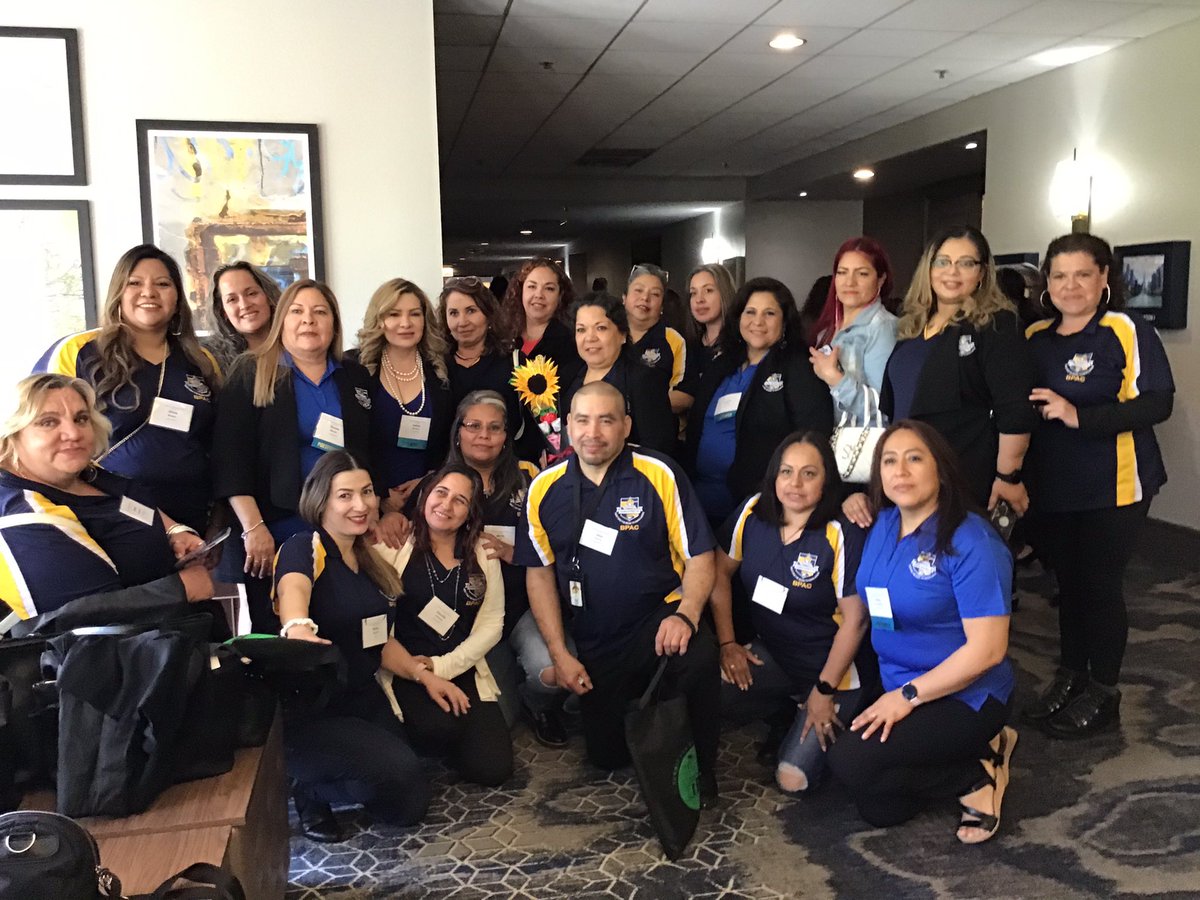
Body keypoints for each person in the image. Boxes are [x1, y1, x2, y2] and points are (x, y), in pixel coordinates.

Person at [514, 381, 721, 799]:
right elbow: (538, 575)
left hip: (656, 619)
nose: (594, 432)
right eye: (584, 420)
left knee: (697, 655)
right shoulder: (543, 487)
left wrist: (688, 613)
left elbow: (701, 556)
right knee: (606, 755)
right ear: (569, 426)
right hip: (593, 636)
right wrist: (560, 654)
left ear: (626, 425)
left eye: (606, 420)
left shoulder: (659, 472)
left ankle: (703, 773)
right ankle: (635, 711)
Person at [826, 420, 1018, 844]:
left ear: (941, 469)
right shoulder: (880, 524)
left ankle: (976, 776)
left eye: (915, 459)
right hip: (898, 681)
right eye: (889, 462)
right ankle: (980, 754)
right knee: (880, 809)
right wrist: (850, 500)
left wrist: (907, 697)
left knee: (851, 763)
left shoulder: (972, 541)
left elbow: (988, 650)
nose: (901, 472)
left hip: (964, 694)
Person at [1022, 233, 1174, 739]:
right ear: (1047, 282)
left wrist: (1078, 416)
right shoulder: (1035, 336)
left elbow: (1157, 402)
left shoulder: (1125, 330)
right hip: (1055, 485)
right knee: (1070, 588)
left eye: (1082, 274)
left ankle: (1104, 692)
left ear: (1104, 278)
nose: (1070, 286)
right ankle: (1072, 676)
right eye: (1059, 275)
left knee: (1101, 587)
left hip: (1116, 485)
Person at [275, 450, 429, 841]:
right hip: (314, 708)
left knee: (407, 804)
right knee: (396, 775)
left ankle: (329, 778)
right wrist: (296, 625)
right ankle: (305, 787)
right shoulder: (305, 545)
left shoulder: (367, 558)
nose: (360, 505)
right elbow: (294, 587)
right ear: (321, 500)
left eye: (367, 492)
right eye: (345, 495)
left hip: (362, 696)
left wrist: (421, 675)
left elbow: (379, 640)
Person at [846, 226, 1037, 526]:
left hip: (960, 476)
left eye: (966, 263)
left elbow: (1014, 410)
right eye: (943, 261)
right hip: (908, 478)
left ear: (982, 273)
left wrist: (1007, 476)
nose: (953, 271)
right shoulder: (912, 327)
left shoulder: (996, 325)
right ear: (929, 268)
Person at [212, 279, 373, 632]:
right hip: (275, 530)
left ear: (334, 323)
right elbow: (231, 458)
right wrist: (253, 528)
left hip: (342, 529)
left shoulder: (354, 377)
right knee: (281, 632)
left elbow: (365, 453)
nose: (308, 321)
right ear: (281, 320)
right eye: (297, 312)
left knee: (343, 625)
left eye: (320, 312)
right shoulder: (252, 371)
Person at [713, 432, 871, 793]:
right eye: (786, 472)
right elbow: (718, 571)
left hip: (836, 673)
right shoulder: (754, 511)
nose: (795, 484)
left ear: (827, 480)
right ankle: (786, 706)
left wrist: (823, 690)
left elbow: (856, 620)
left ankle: (840, 718)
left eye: (809, 474)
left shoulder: (840, 531)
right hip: (777, 655)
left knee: (793, 779)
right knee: (708, 687)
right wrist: (728, 642)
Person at [35, 244, 221, 532]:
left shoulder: (202, 361)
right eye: (135, 283)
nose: (149, 292)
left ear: (177, 299)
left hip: (192, 518)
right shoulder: (78, 352)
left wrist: (216, 520)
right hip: (109, 516)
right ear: (118, 293)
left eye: (162, 284)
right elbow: (37, 435)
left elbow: (218, 444)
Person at [0, 373, 213, 622]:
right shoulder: (22, 515)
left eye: (81, 419)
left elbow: (132, 506)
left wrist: (173, 532)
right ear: (12, 434)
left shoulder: (87, 475)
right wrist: (181, 589)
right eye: (48, 422)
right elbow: (80, 622)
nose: (73, 433)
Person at [374, 464, 514, 787]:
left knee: (493, 770)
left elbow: (493, 624)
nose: (446, 506)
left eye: (460, 501)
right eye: (441, 492)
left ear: (470, 512)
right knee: (436, 729)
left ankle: (455, 741)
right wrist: (423, 671)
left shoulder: (482, 551)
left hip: (460, 664)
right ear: (425, 495)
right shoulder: (394, 545)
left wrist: (444, 666)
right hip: (407, 667)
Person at [685, 276, 834, 527]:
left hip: (757, 508)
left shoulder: (798, 367)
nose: (758, 322)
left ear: (785, 321)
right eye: (750, 312)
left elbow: (813, 435)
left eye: (769, 314)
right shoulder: (721, 365)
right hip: (699, 503)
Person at [439, 390, 542, 733]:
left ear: (506, 436)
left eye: (495, 428)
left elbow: (554, 543)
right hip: (472, 616)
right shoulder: (439, 486)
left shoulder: (529, 476)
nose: (484, 435)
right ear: (458, 431)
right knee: (502, 719)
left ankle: (538, 702)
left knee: (551, 675)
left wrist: (516, 554)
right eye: (474, 426)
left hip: (523, 606)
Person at [353, 279, 452, 543]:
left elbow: (451, 441)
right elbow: (352, 443)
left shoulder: (442, 371)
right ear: (379, 319)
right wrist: (381, 498)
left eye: (414, 314)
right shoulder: (355, 370)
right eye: (394, 315)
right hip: (368, 508)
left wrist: (428, 482)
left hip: (431, 503)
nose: (405, 324)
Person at [560, 292, 676, 456]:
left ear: (622, 335)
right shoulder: (568, 376)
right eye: (581, 330)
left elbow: (658, 447)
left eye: (600, 328)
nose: (590, 338)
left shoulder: (643, 379)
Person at [808, 237, 899, 424]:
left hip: (861, 448)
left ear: (880, 279)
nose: (850, 282)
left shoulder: (881, 328)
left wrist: (836, 379)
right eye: (842, 273)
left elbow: (884, 409)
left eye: (862, 274)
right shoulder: (828, 329)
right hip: (828, 443)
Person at [499, 258, 581, 459]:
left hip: (554, 452)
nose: (539, 295)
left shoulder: (572, 344)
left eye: (549, 289)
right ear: (520, 291)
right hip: (503, 450)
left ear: (560, 296)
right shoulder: (503, 340)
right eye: (532, 286)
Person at [438, 276, 522, 438]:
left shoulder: (514, 363)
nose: (462, 322)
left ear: (489, 315)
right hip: (446, 461)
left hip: (504, 460)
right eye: (453, 313)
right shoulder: (435, 366)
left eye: (471, 311)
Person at [675, 263, 737, 414]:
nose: (699, 299)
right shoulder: (688, 346)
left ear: (725, 293)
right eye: (693, 293)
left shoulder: (740, 344)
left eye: (708, 290)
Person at [623, 264, 687, 406]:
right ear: (624, 298)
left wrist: (637, 404)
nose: (645, 298)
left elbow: (685, 394)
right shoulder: (609, 334)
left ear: (662, 306)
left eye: (655, 294)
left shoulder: (673, 340)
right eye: (638, 290)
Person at [204, 261, 282, 371]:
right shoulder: (210, 362)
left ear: (268, 296)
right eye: (232, 299)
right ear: (223, 311)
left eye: (251, 293)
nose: (244, 305)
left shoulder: (299, 347)